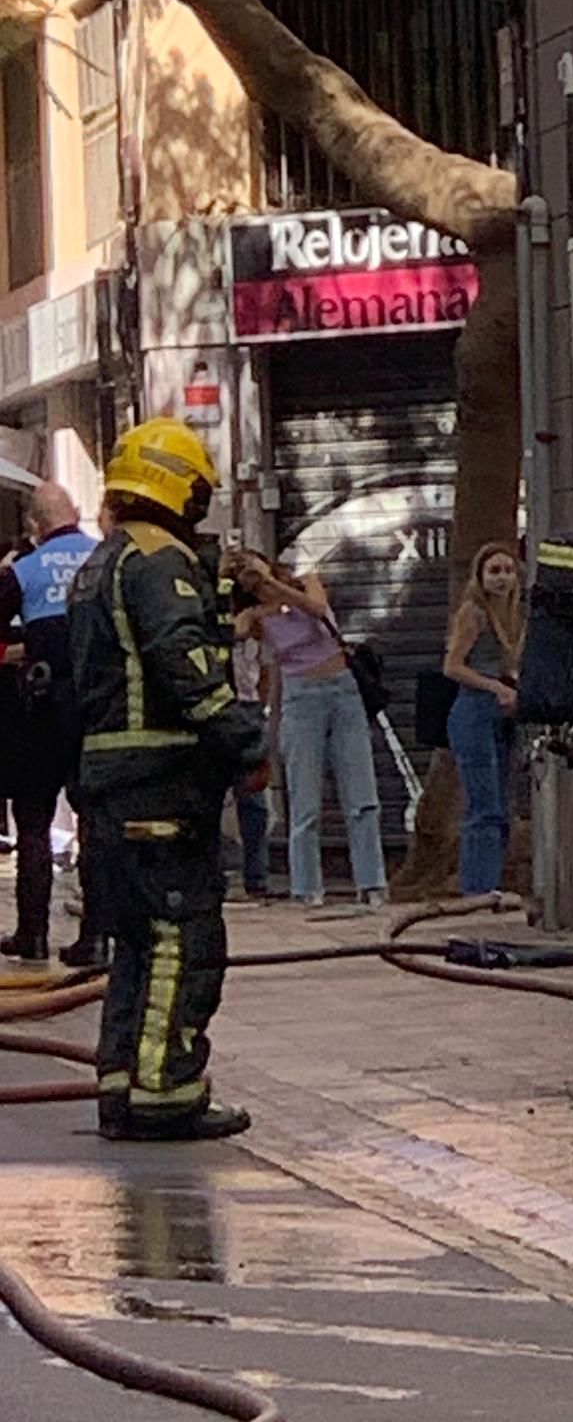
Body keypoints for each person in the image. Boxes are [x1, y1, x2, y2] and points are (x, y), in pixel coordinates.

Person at [69, 417, 268, 1141]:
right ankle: (166, 1094)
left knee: (136, 946)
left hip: (111, 784)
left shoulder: (107, 561)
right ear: (180, 486)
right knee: (183, 940)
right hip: (160, 787)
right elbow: (185, 663)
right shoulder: (159, 561)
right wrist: (247, 744)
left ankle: (123, 1087)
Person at [230, 551, 386, 908]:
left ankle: (372, 882)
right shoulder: (255, 617)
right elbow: (235, 631)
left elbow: (316, 609)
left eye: (255, 568)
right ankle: (307, 887)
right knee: (304, 799)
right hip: (300, 698)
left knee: (361, 794)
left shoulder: (306, 582)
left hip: (342, 688)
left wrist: (272, 586)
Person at [0, 483, 98, 965]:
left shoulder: (23, 570)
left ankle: (32, 935)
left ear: (35, 527)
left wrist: (22, 648)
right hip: (98, 705)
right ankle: (95, 937)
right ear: (76, 513)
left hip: (40, 708)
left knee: (34, 822)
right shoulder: (105, 557)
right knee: (94, 821)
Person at [443, 544, 523, 896]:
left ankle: (490, 883)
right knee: (484, 805)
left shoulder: (517, 616)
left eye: (508, 570)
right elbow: (453, 666)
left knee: (503, 805)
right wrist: (494, 686)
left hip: (506, 715)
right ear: (480, 576)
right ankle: (477, 890)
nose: (502, 578)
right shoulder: (473, 614)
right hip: (475, 710)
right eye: (494, 571)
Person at [222, 552, 271, 899]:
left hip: (249, 706)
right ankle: (216, 874)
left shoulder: (263, 618)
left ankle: (257, 877)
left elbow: (265, 668)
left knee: (254, 798)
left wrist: (260, 705)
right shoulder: (218, 614)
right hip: (219, 706)